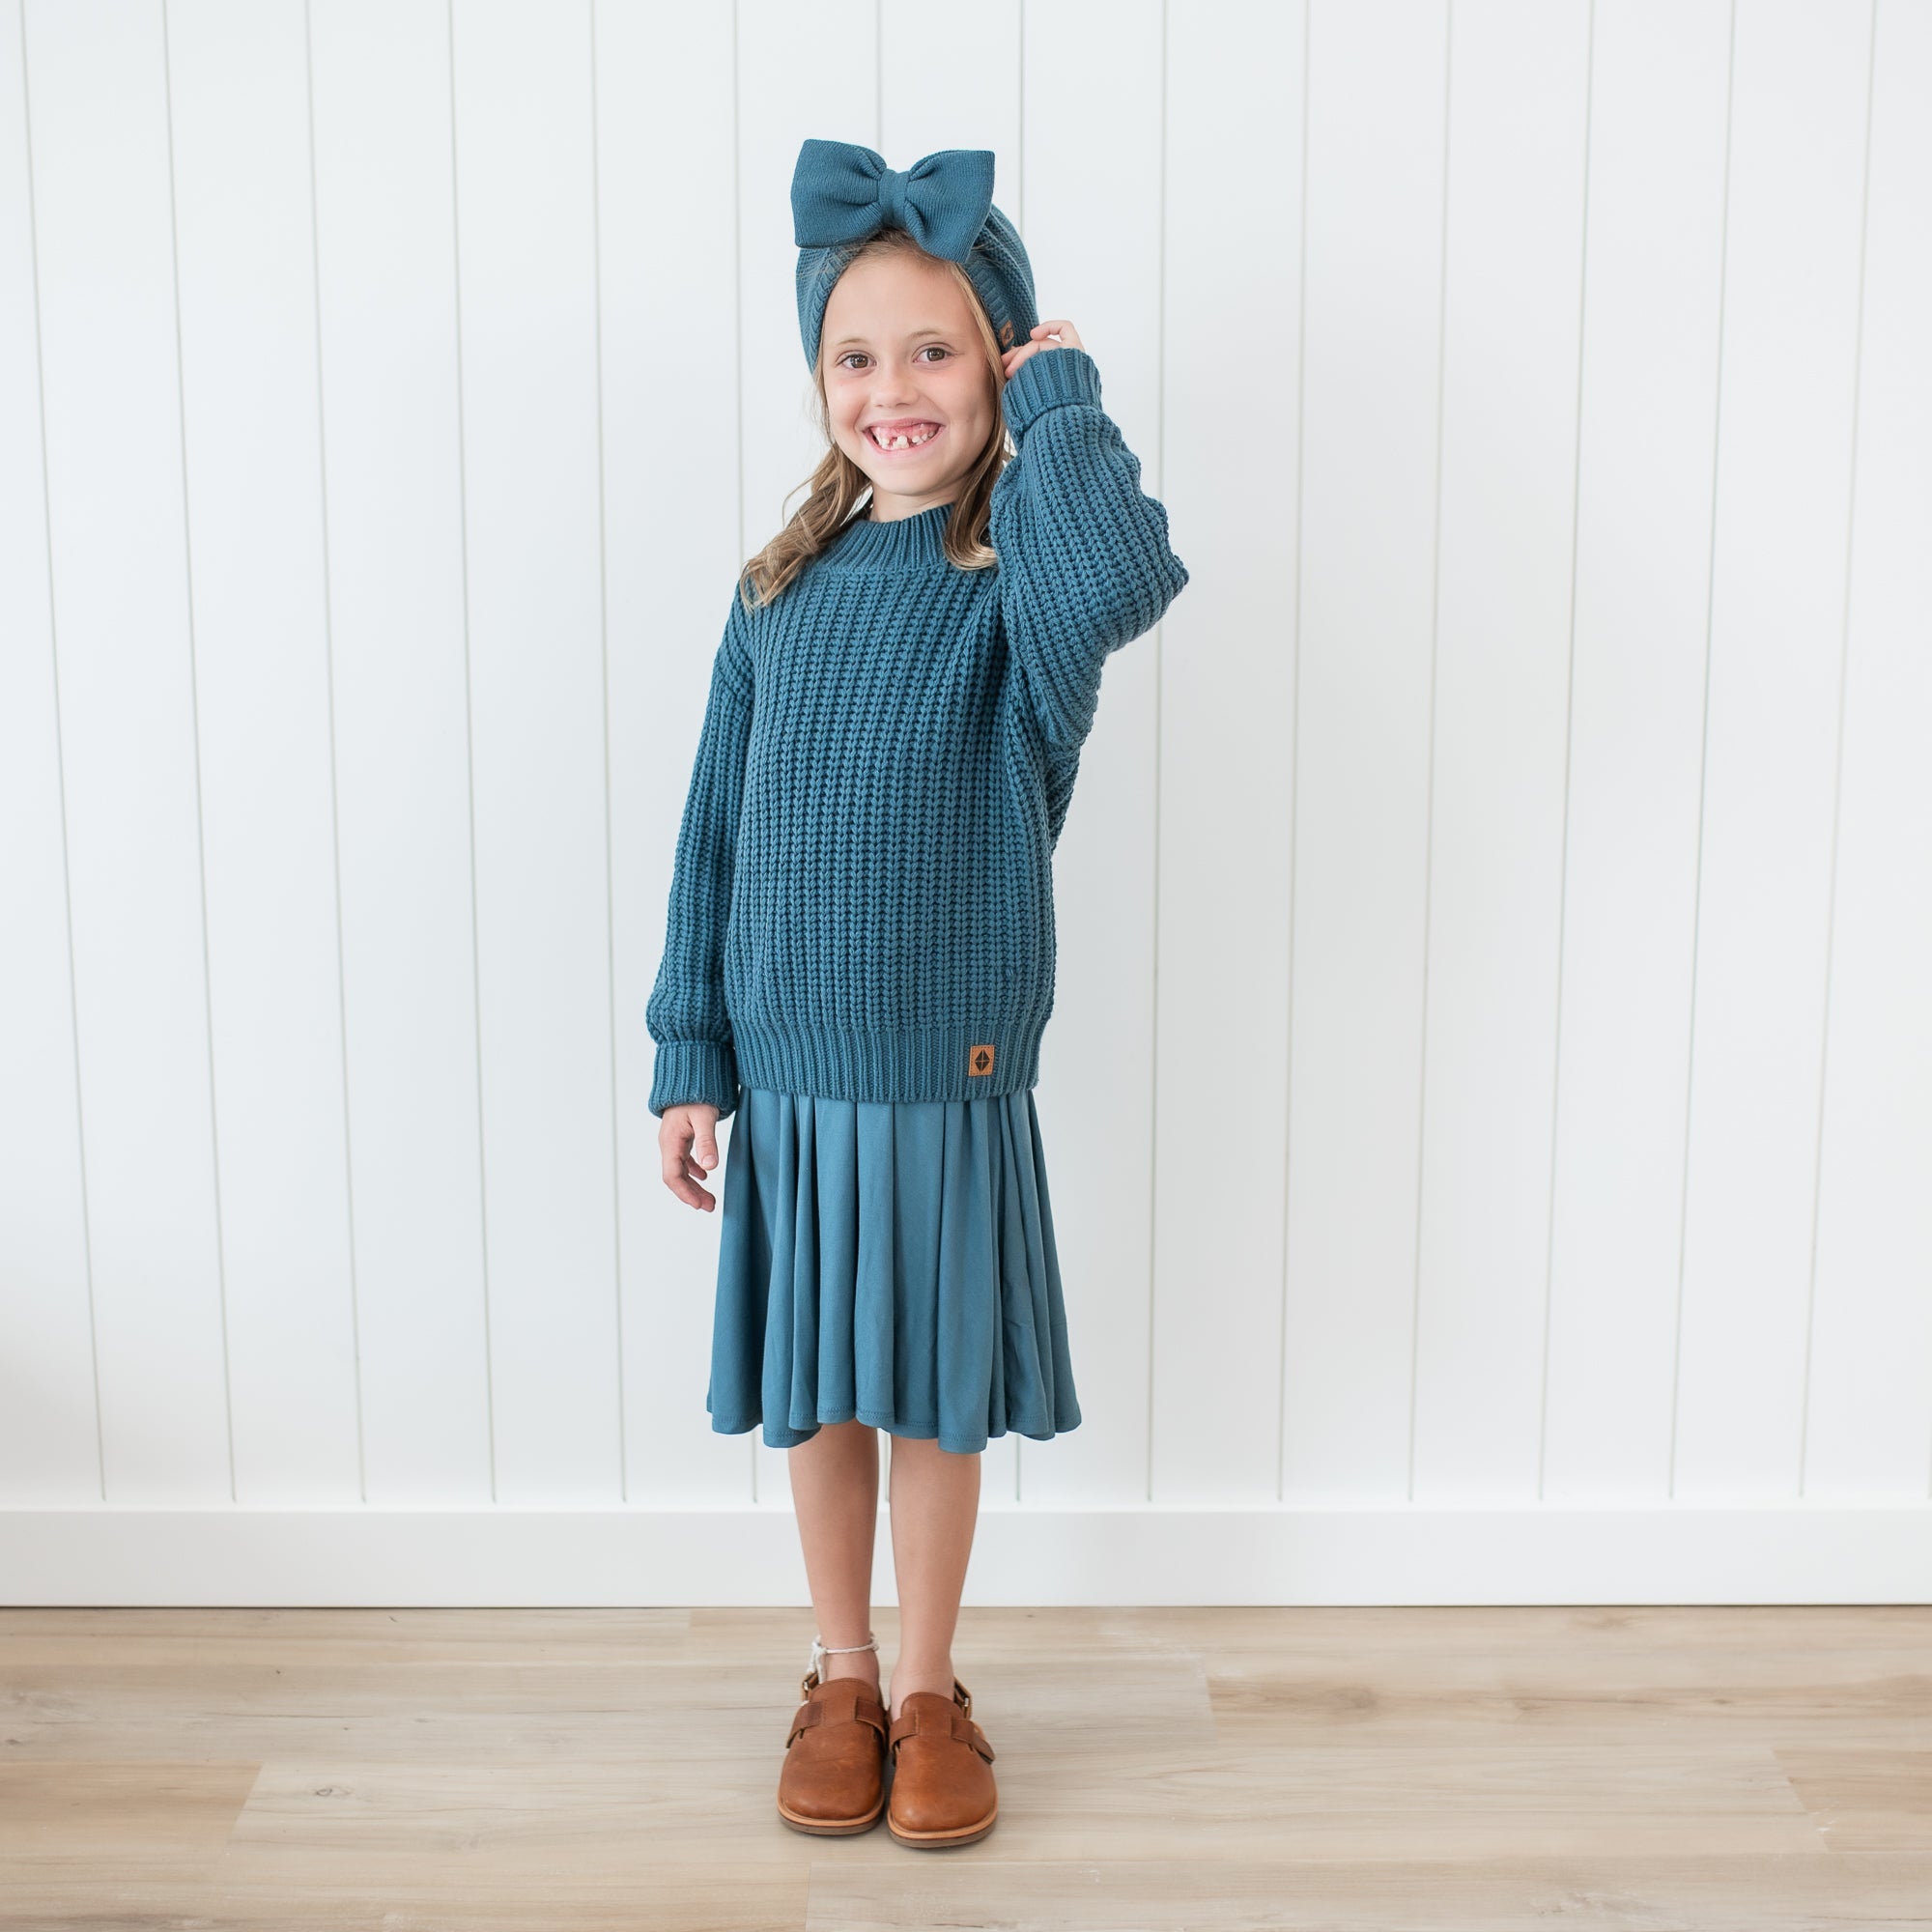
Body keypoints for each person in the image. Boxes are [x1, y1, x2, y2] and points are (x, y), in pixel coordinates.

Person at [644, 136, 1189, 1849]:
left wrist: (1064, 387)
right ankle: (841, 1670)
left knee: (934, 1400)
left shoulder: (1016, 593)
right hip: (793, 1077)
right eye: (855, 357)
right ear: (819, 382)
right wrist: (690, 1050)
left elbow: (1125, 577)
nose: (893, 389)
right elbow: (712, 833)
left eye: (938, 350)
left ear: (996, 360)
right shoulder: (777, 595)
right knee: (820, 1397)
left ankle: (938, 1686)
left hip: (948, 1070)